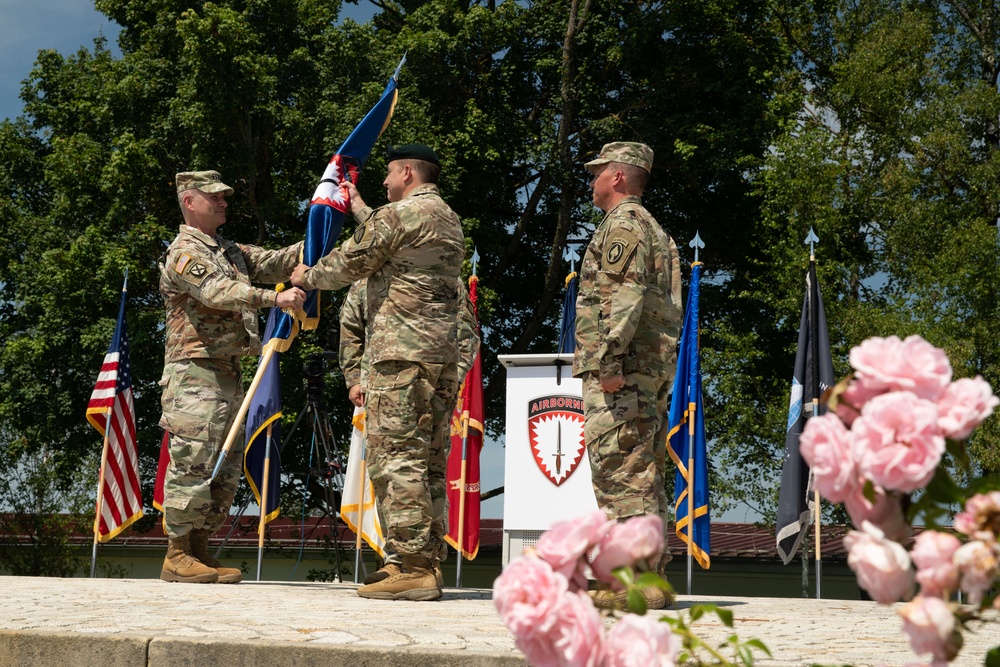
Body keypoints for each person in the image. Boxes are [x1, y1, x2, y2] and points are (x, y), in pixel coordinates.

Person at [290, 144, 465, 601]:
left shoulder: (399, 218)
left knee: (396, 460)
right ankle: (422, 560)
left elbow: (351, 262)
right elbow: (391, 236)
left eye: (388, 174)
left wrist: (306, 277)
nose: (384, 182)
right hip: (439, 359)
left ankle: (411, 565)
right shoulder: (445, 217)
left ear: (407, 172)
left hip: (399, 359)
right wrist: (362, 205)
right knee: (426, 462)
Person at [158, 170, 306, 584]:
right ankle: (177, 552)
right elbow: (218, 292)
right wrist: (275, 298)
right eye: (215, 197)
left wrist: (320, 226)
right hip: (194, 371)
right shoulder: (183, 252)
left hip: (228, 371)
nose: (224, 202)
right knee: (195, 458)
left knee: (223, 466)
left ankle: (200, 548)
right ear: (190, 201)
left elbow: (275, 260)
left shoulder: (228, 249)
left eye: (226, 196)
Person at [572, 142, 683, 609]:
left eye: (598, 172)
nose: (592, 180)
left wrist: (609, 361)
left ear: (618, 176)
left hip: (625, 368)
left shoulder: (624, 225)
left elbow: (624, 296)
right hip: (647, 366)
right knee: (642, 469)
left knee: (621, 469)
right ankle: (649, 577)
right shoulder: (652, 228)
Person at [339, 276, 480, 586]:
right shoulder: (370, 279)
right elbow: (351, 329)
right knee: (392, 469)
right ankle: (401, 560)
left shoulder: (443, 276)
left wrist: (448, 381)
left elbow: (467, 334)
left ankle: (420, 563)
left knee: (422, 469)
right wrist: (354, 378)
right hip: (385, 390)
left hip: (432, 391)